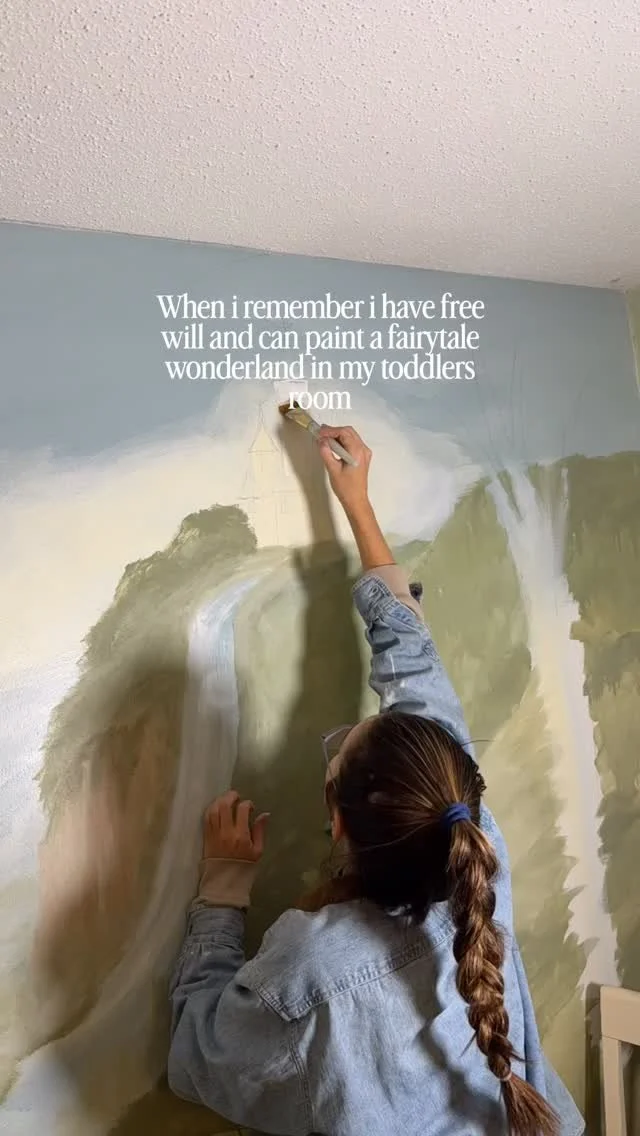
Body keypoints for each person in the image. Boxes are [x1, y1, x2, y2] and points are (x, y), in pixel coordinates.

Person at [167, 424, 584, 1136]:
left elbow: (198, 1053)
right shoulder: (476, 846)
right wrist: (356, 504)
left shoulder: (312, 965)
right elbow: (414, 672)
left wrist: (223, 888)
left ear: (337, 821)